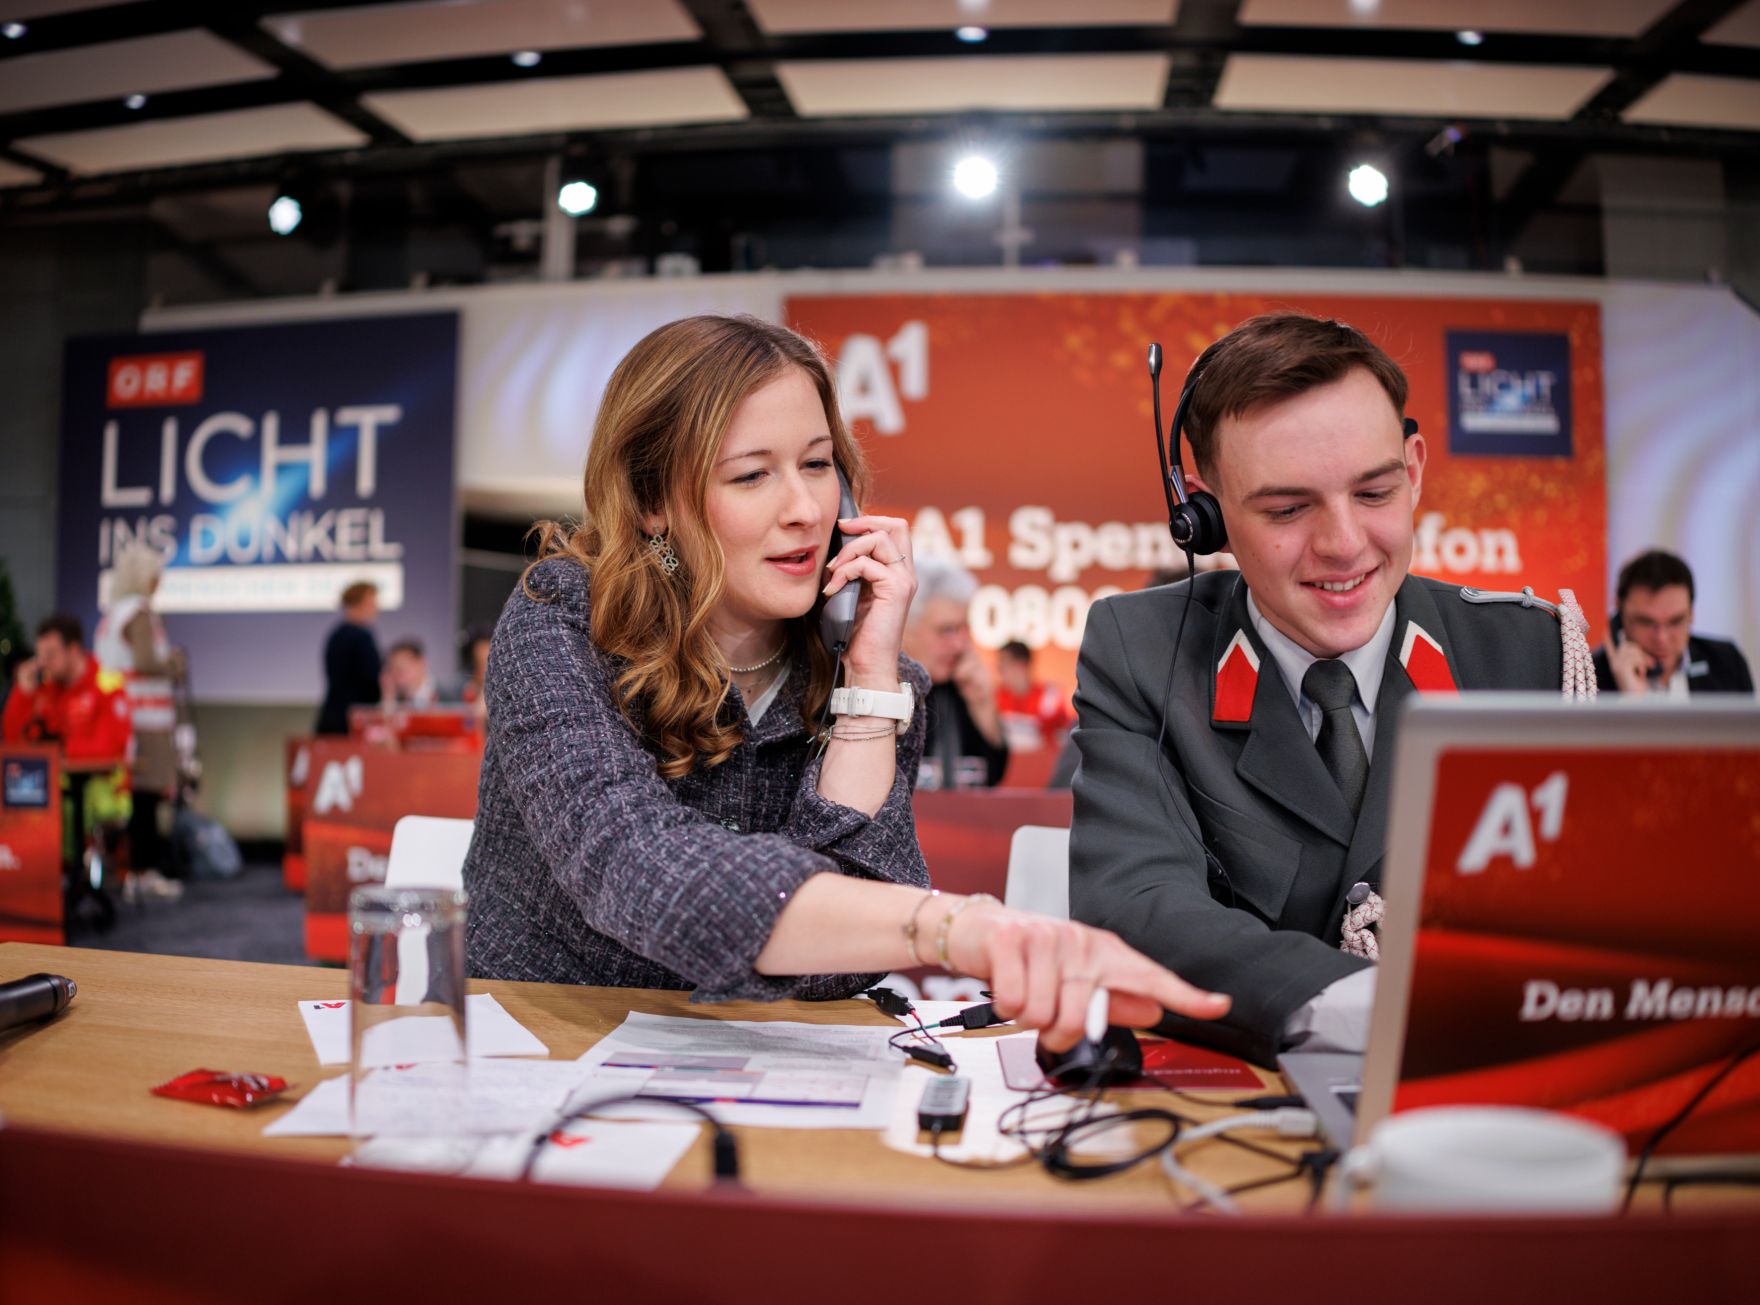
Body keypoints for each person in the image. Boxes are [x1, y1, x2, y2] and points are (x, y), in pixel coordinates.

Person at [462, 314, 1227, 1049]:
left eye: (818, 464)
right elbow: (637, 868)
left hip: (756, 1065)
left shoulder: (868, 670)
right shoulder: (563, 621)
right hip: (546, 1044)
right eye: (752, 475)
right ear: (655, 504)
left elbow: (840, 971)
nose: (803, 508)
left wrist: (865, 677)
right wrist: (957, 926)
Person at [1069, 313, 1569, 1066]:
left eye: (1374, 492)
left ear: (1416, 467)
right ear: (1203, 514)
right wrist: (1393, 1012)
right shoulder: (1140, 652)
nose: (1342, 544)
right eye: (1287, 509)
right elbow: (1137, 910)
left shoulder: (1531, 652)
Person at [93, 542, 187, 901]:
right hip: (144, 722)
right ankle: (143, 872)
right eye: (155, 576)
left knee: (130, 799)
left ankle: (126, 870)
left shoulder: (112, 615)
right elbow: (147, 662)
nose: (158, 583)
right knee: (145, 799)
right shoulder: (139, 613)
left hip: (118, 719)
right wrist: (174, 665)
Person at [901, 556, 1008, 789]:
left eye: (963, 629)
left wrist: (982, 705)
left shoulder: (960, 687)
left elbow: (992, 777)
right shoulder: (872, 692)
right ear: (903, 629)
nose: (960, 645)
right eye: (946, 630)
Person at [1593, 550, 1753, 697]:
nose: (1662, 638)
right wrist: (1630, 700)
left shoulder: (1726, 662)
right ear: (1620, 614)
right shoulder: (1586, 676)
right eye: (1646, 622)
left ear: (1691, 613)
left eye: (1675, 621)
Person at [4, 613, 131, 761]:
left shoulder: (107, 685)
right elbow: (12, 742)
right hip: (52, 780)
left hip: (98, 780)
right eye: (40, 656)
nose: (43, 663)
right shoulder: (46, 690)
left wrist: (59, 749)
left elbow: (110, 747)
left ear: (73, 650)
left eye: (50, 654)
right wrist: (22, 694)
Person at [315, 581, 382, 735]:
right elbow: (371, 678)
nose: (377, 609)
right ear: (358, 604)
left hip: (333, 717)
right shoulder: (360, 637)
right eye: (372, 603)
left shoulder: (336, 634)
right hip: (351, 723)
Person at [995, 641, 1072, 754]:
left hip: (1041, 765)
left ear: (1020, 665)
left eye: (1003, 666)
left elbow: (1063, 741)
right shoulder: (995, 698)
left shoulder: (1050, 698)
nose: (999, 672)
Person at [383, 638, 442, 708]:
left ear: (421, 663)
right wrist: (389, 700)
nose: (396, 674)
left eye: (402, 668)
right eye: (392, 669)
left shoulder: (448, 695)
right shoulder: (395, 698)